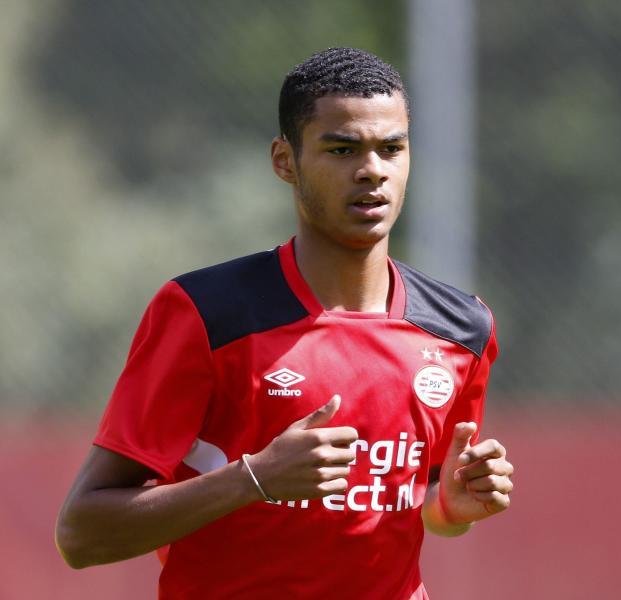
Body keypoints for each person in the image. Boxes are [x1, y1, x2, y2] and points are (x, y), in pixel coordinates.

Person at [55, 47, 514, 599]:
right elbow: (81, 534)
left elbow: (429, 506)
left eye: (391, 148)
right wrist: (254, 480)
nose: (371, 169)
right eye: (342, 149)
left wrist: (449, 506)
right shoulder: (207, 313)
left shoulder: (461, 329)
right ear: (284, 161)